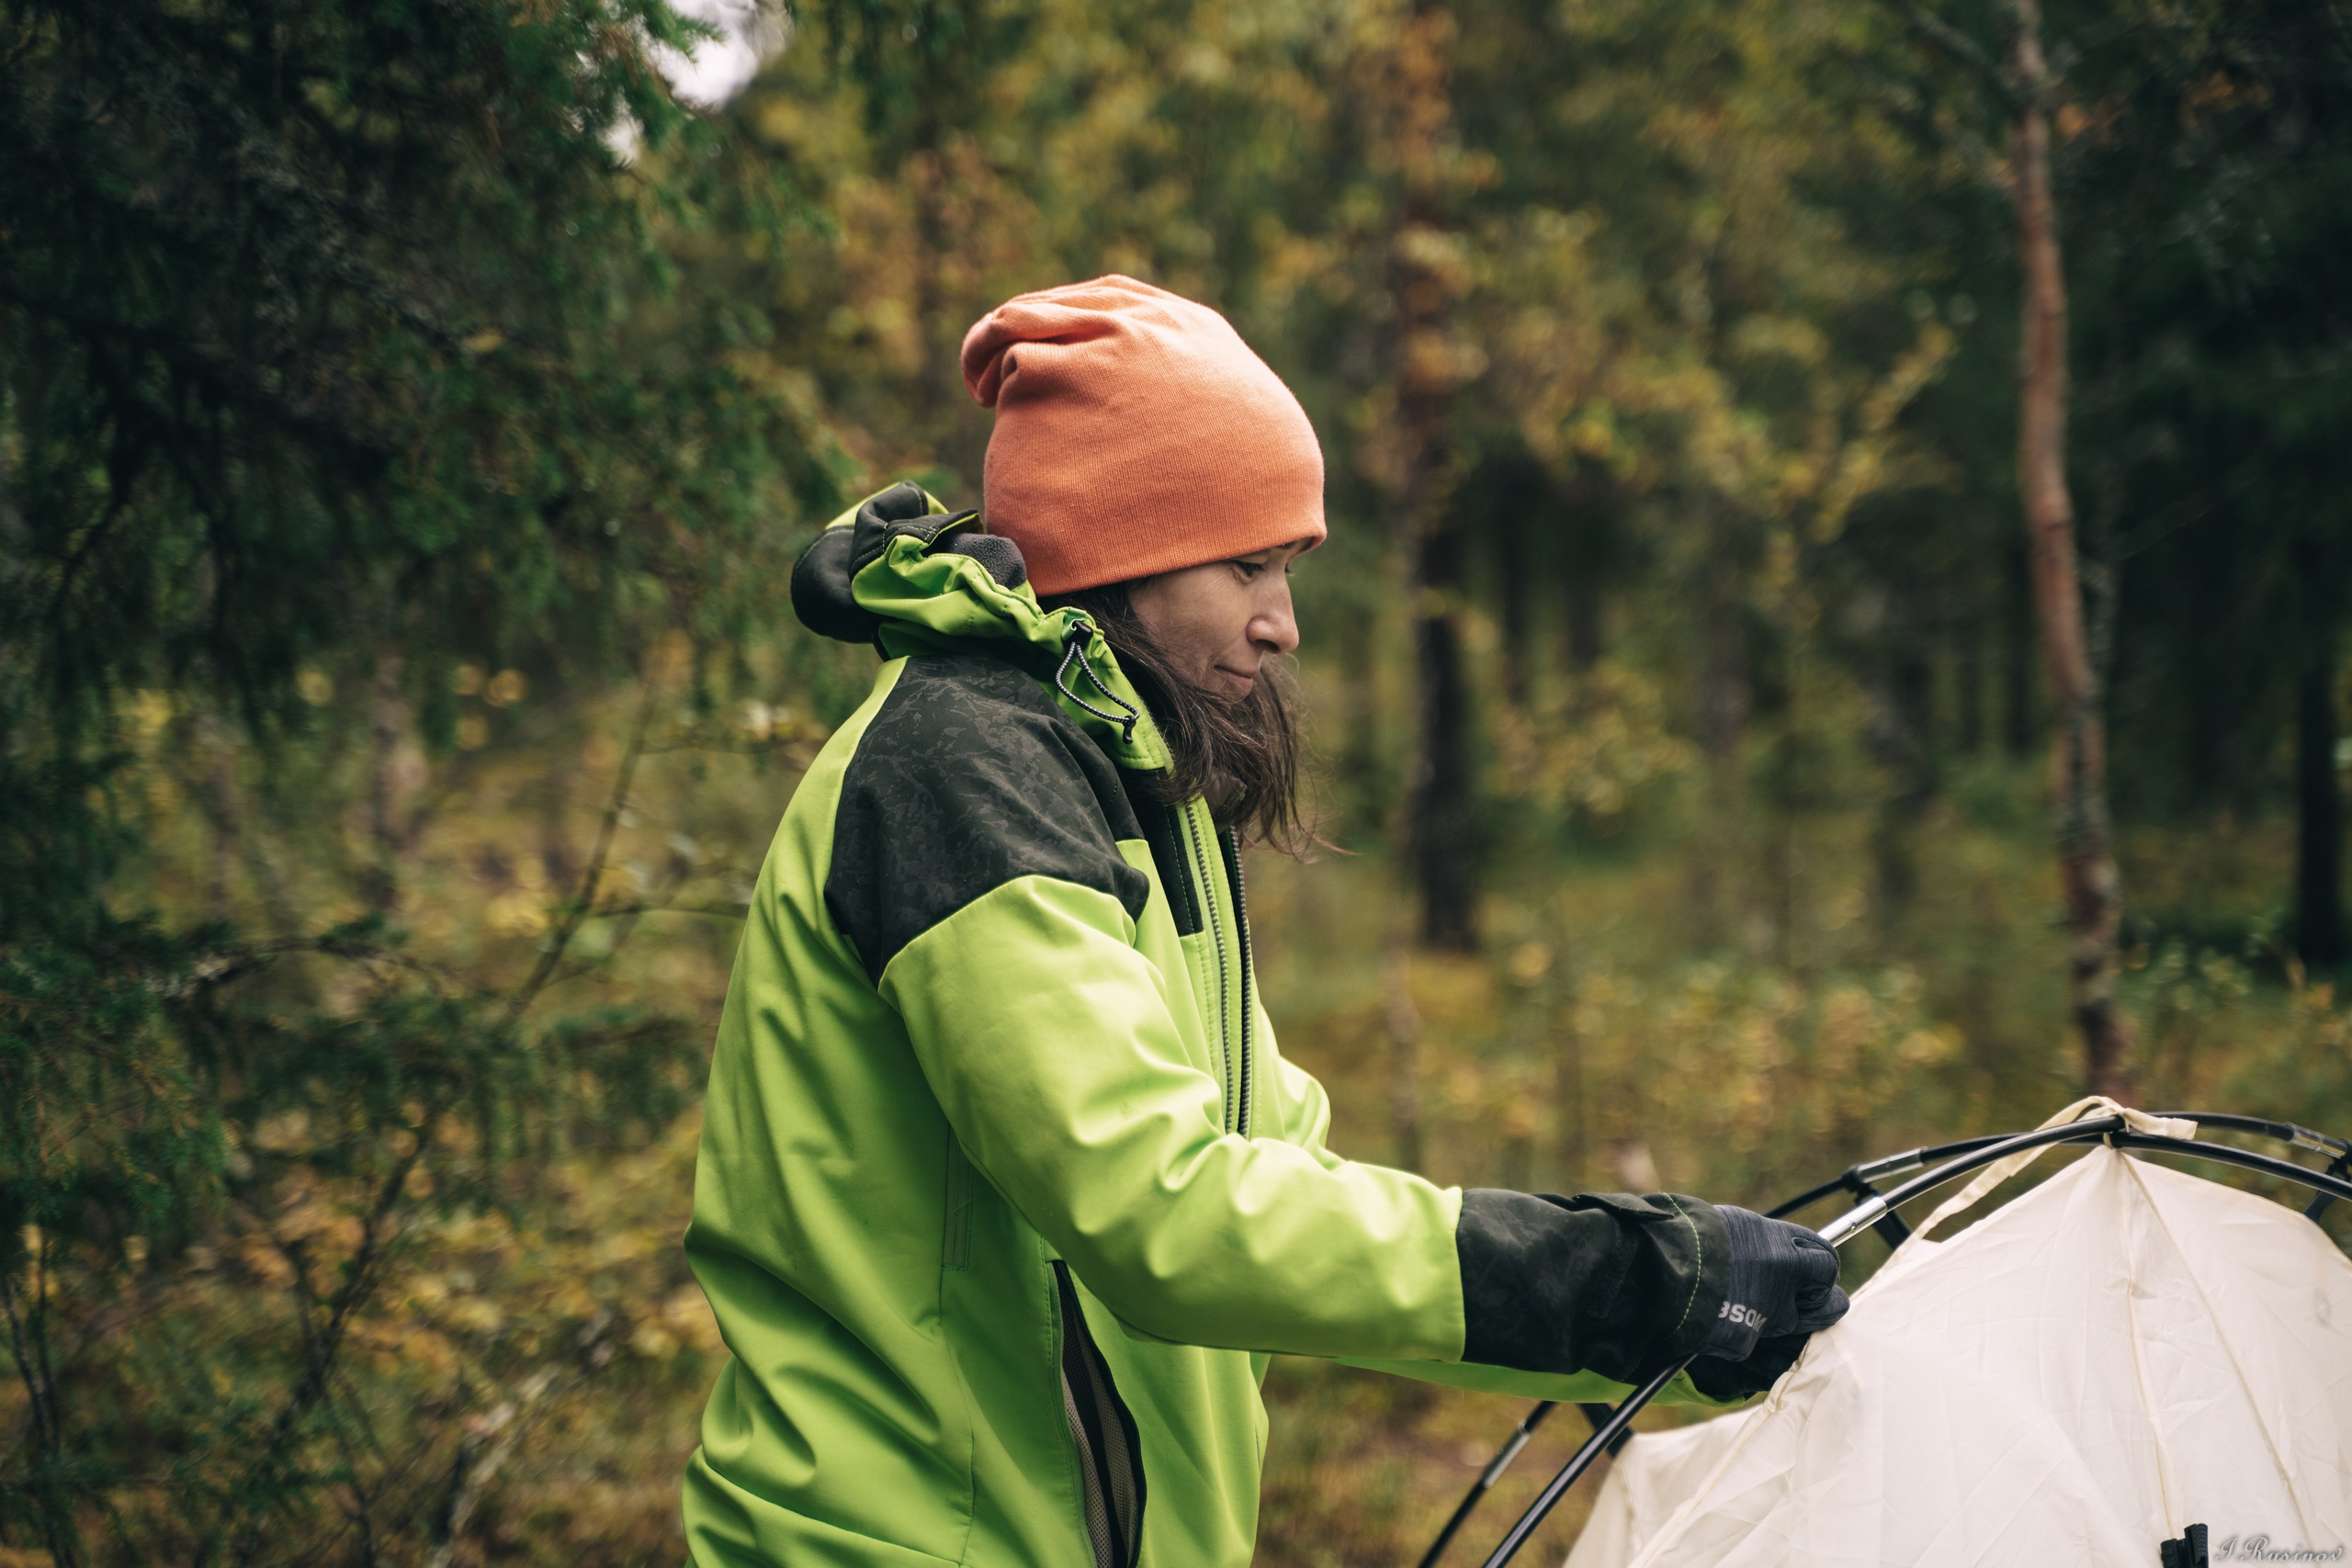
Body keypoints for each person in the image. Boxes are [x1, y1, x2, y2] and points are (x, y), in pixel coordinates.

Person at [681, 276, 1847, 1568]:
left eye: (1287, 569)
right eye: (1248, 566)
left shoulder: (1122, 773)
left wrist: (1643, 1330)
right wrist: (1618, 1284)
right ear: (1113, 549)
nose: (1281, 624)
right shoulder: (964, 771)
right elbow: (1163, 1216)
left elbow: (1278, 1196)